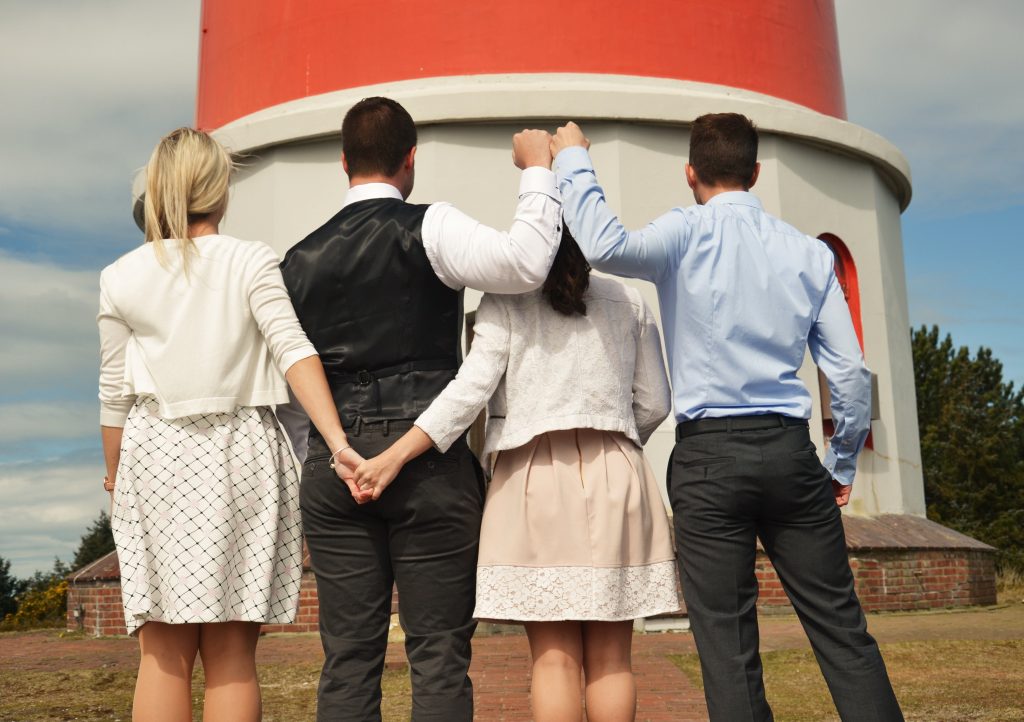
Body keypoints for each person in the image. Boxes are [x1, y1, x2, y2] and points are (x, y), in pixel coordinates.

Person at [550, 114, 904, 721]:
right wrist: (841, 462)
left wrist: (574, 159)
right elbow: (847, 374)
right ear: (756, 172)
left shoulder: (682, 233)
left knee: (728, 645)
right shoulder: (810, 254)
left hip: (708, 457)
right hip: (790, 453)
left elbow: (605, 245)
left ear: (690, 173)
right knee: (842, 630)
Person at [278, 97, 562, 721]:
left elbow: (292, 383)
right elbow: (526, 261)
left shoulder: (295, 260)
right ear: (411, 159)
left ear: (344, 161)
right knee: (439, 655)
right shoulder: (432, 226)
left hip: (336, 466)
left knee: (347, 657)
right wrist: (539, 172)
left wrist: (327, 455)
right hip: (429, 460)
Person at [352, 226, 681, 722]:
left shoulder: (505, 300)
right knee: (614, 657)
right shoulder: (629, 301)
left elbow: (469, 393)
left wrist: (395, 455)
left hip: (534, 474)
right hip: (617, 469)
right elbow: (654, 402)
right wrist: (612, 437)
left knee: (553, 659)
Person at [98, 127, 356, 722]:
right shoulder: (250, 259)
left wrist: (114, 477)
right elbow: (294, 351)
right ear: (220, 190)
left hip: (155, 452)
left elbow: (113, 393)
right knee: (233, 653)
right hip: (242, 452)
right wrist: (337, 442)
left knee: (161, 654)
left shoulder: (121, 275)